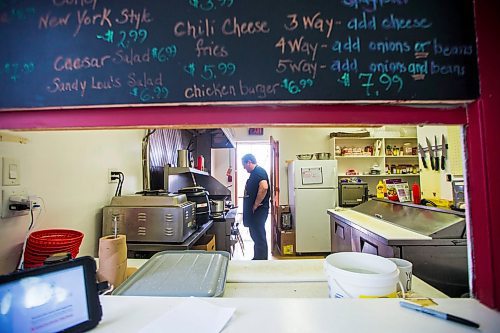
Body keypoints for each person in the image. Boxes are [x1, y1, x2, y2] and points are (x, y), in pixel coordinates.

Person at [241, 153, 270, 260]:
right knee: (256, 235)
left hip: (259, 210)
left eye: (244, 165)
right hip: (256, 211)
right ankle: (258, 257)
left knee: (259, 235)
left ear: (249, 162)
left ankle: (261, 260)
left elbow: (264, 187)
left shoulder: (258, 172)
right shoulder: (255, 173)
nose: (244, 167)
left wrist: (255, 205)